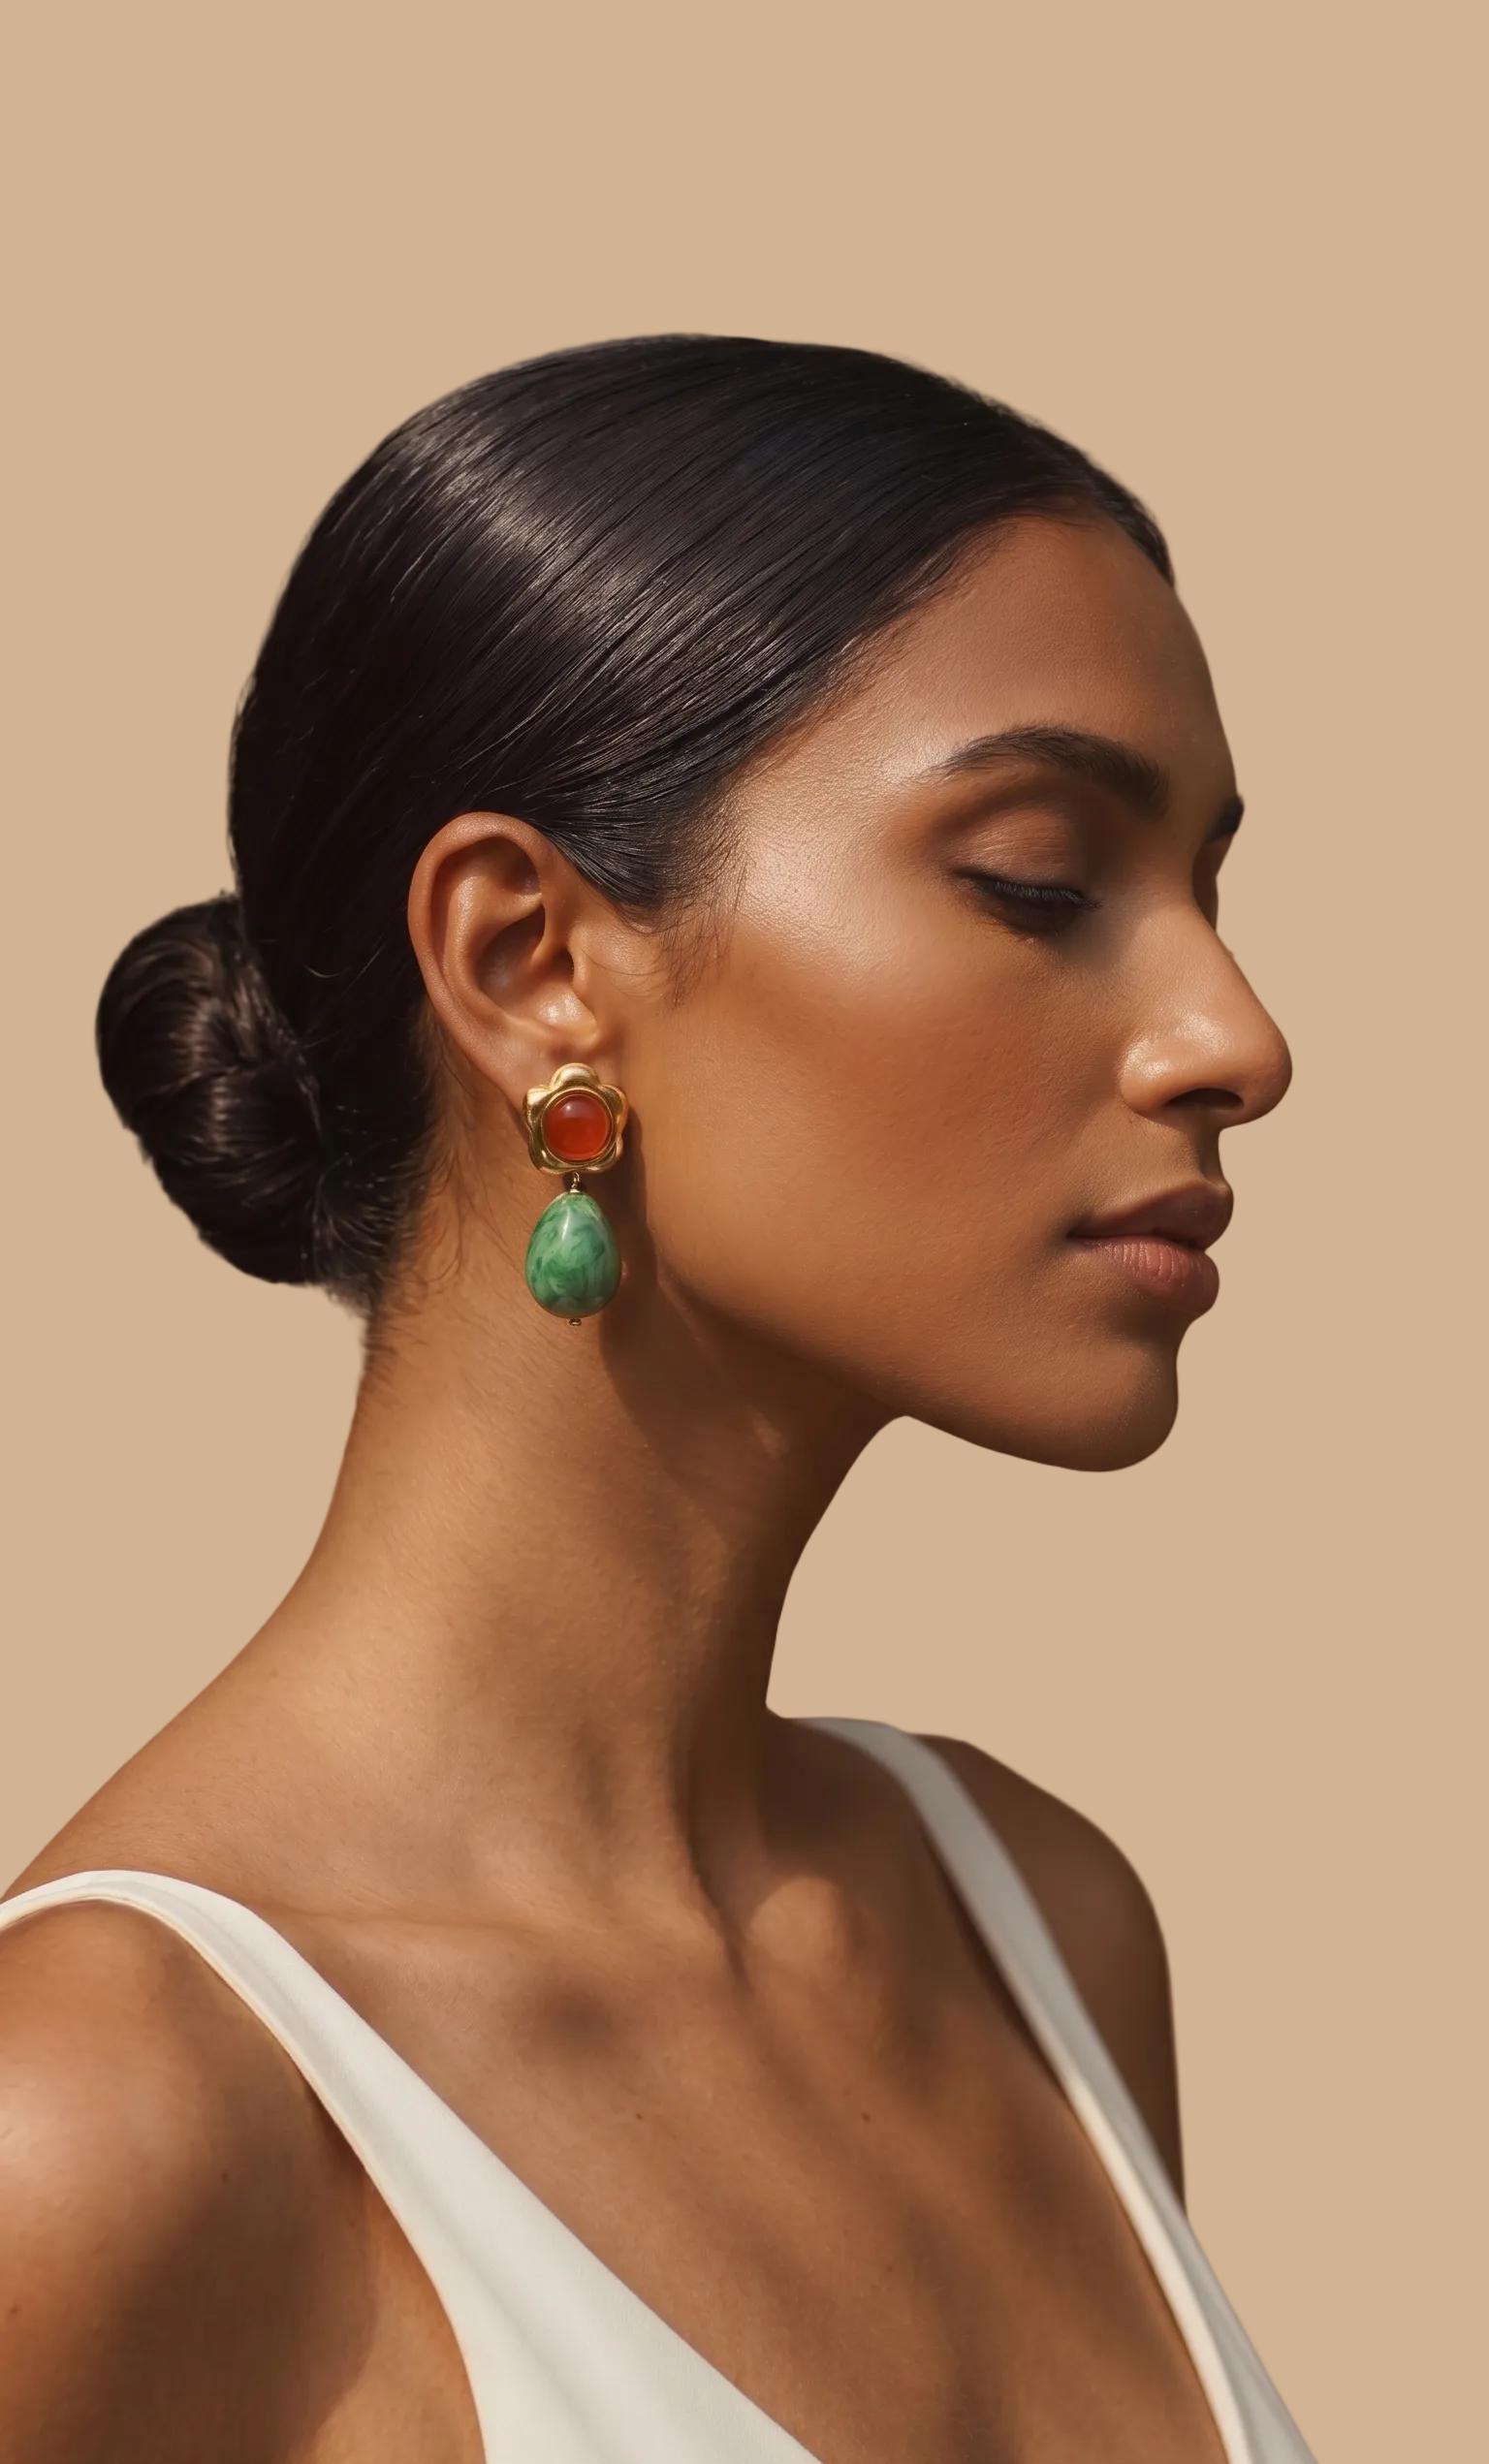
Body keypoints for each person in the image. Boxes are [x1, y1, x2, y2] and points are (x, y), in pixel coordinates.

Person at [0, 337, 1310, 2464]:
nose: (1232, 1033)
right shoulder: (107, 2129)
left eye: (1209, 893)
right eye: (1043, 882)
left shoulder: (1037, 1923)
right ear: (530, 961)